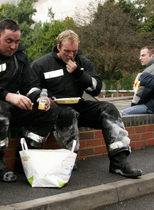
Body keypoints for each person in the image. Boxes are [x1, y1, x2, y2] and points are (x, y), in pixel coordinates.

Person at [31, 30, 142, 178]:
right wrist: (43, 98)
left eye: (74, 52)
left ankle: (119, 161)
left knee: (108, 108)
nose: (71, 55)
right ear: (58, 47)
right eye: (67, 51)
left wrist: (79, 74)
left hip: (79, 105)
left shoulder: (82, 62)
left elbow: (96, 89)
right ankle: (69, 159)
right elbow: (30, 88)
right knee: (67, 113)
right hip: (55, 109)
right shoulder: (41, 64)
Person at [0, 19, 59, 183]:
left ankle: (25, 158)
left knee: (49, 109)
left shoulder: (20, 57)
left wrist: (39, 97)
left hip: (10, 105)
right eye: (9, 41)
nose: (13, 46)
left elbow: (30, 85)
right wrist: (7, 95)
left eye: (16, 41)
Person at [121, 46, 154, 116]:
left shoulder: (148, 72)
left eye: (143, 55)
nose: (140, 58)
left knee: (125, 113)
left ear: (152, 56)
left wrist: (134, 105)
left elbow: (141, 94)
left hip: (152, 106)